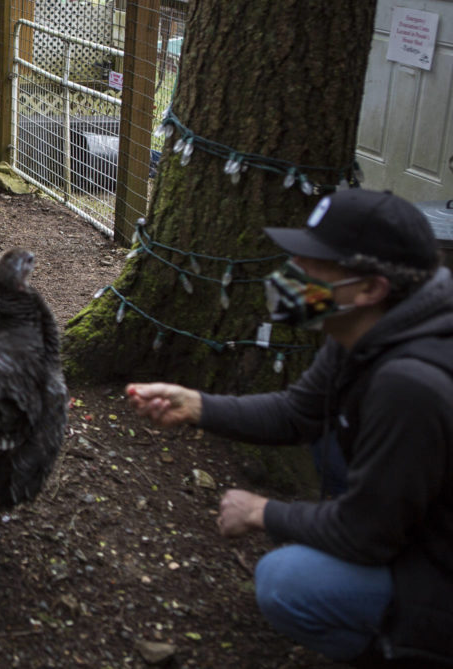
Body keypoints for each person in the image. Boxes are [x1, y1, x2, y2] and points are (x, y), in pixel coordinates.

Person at [126, 188, 453, 668]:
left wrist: (263, 512)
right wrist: (197, 406)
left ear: (369, 288)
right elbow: (298, 413)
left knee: (286, 581)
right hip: (416, 518)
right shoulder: (366, 328)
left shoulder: (411, 385)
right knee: (327, 448)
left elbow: (365, 535)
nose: (292, 274)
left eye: (313, 264)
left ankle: (404, 650)